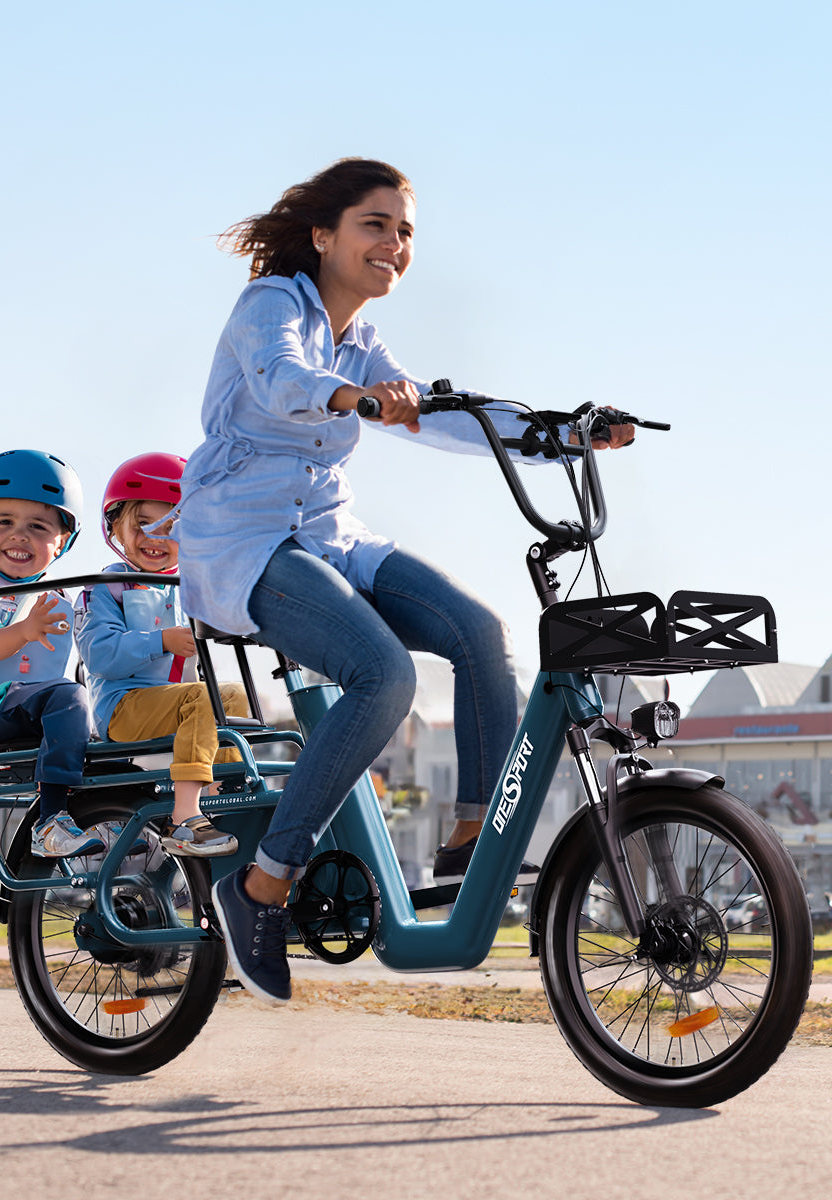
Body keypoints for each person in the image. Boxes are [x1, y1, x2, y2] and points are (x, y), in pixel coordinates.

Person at [177, 158, 634, 1004]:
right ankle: (261, 887)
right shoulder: (270, 304)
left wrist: (563, 433)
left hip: (328, 536)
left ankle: (469, 845)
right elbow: (282, 382)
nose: (394, 243)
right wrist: (353, 398)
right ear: (325, 235)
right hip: (241, 540)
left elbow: (441, 410)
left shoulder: (362, 341)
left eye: (406, 231)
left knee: (482, 633)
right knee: (382, 675)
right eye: (375, 225)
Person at [75, 452, 247, 857]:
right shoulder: (106, 586)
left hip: (171, 705)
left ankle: (221, 794)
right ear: (115, 526)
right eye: (141, 524)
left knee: (234, 696)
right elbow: (98, 655)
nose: (155, 537)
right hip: (121, 708)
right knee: (206, 697)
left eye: (170, 526)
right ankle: (185, 815)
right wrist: (161, 642)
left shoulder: (186, 588)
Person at [0, 449, 103, 859]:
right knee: (70, 697)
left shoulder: (60, 595)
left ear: (63, 542)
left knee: (108, 732)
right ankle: (50, 820)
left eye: (38, 526)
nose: (19, 535)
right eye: (4, 523)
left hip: (45, 706)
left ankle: (120, 821)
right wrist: (27, 628)